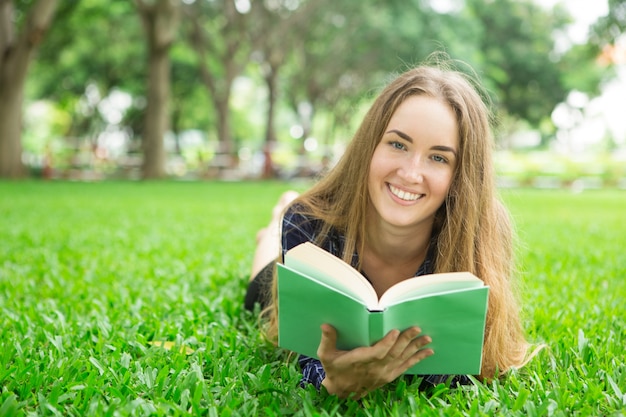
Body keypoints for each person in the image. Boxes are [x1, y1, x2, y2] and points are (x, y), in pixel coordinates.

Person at [245, 62, 532, 399]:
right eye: (398, 144)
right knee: (259, 289)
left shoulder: (480, 231)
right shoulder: (308, 223)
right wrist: (334, 385)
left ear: (460, 177)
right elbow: (307, 356)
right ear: (370, 145)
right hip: (316, 228)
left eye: (438, 158)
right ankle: (272, 229)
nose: (411, 174)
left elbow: (466, 369)